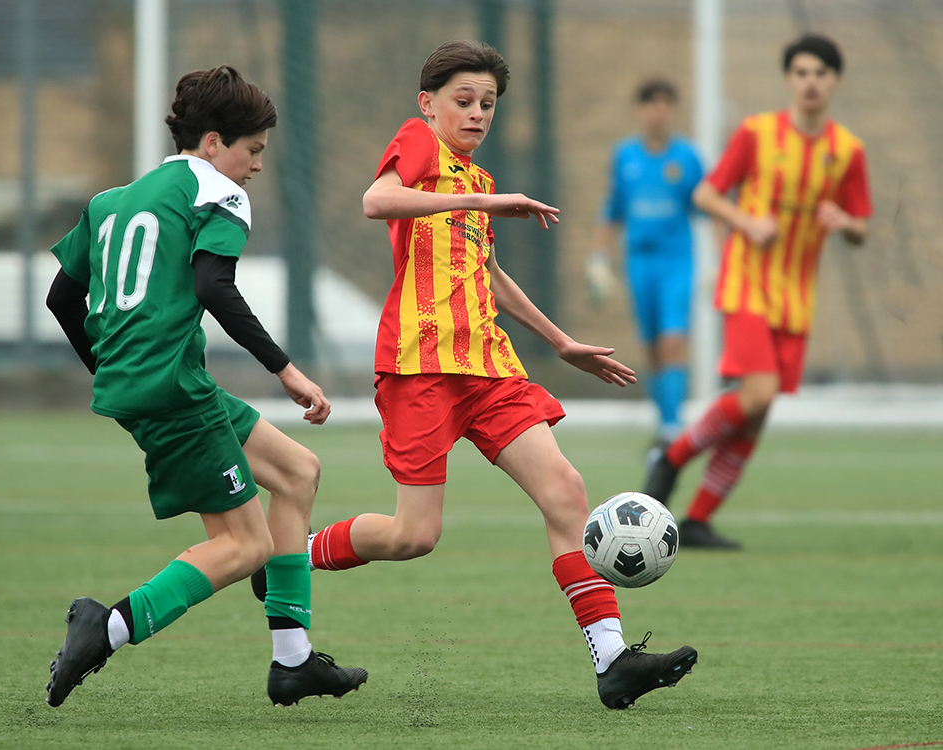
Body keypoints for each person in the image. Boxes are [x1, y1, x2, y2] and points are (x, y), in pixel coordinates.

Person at [306, 40, 697, 710]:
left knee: (567, 493)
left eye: (488, 103)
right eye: (464, 100)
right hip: (420, 366)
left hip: (487, 368)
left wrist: (561, 341)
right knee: (413, 536)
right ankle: (288, 555)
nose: (478, 113)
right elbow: (377, 200)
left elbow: (486, 272)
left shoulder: (479, 184)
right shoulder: (421, 145)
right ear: (428, 104)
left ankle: (613, 661)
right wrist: (483, 208)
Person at [44, 66, 366, 707]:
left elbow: (61, 296)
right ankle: (105, 626)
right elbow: (214, 286)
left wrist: (113, 369)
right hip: (175, 391)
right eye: (254, 151)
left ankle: (293, 661)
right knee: (246, 546)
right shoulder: (215, 191)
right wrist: (287, 369)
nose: (256, 167)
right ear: (215, 142)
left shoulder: (114, 200)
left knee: (298, 472)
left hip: (167, 382)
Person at [644, 34, 872, 549]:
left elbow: (861, 229)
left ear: (834, 81)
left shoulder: (847, 151)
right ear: (789, 79)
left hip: (796, 299)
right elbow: (704, 193)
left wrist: (846, 223)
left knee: (758, 412)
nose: (811, 81)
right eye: (802, 72)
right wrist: (745, 221)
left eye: (821, 73)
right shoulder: (757, 134)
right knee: (758, 393)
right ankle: (672, 458)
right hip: (748, 283)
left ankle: (698, 519)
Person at [589, 79, 703, 458]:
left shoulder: (687, 157)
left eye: (665, 104)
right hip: (640, 262)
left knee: (674, 340)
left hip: (677, 262)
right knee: (653, 347)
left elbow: (709, 205)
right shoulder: (625, 156)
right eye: (651, 104)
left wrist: (721, 260)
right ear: (640, 110)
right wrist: (599, 258)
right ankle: (664, 423)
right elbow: (612, 209)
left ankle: (674, 429)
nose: (658, 111)